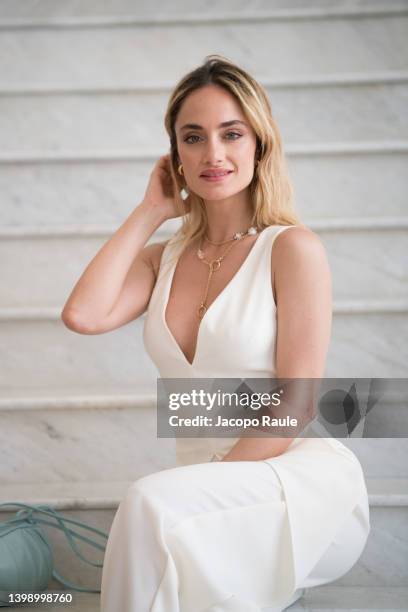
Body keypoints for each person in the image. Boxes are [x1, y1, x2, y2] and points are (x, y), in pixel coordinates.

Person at [61, 55, 370, 612]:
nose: (214, 154)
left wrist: (212, 482)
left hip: (291, 481)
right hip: (201, 490)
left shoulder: (292, 249)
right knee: (163, 531)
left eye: (232, 133)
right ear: (174, 154)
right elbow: (84, 315)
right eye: (193, 137)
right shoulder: (165, 260)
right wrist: (150, 211)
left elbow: (299, 403)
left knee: (149, 503)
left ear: (260, 144)